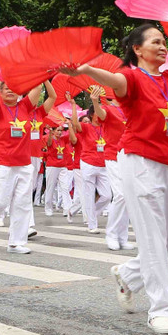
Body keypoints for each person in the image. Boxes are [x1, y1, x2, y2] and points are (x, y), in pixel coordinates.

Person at [63, 21, 168, 335]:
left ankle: (129, 275)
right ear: (137, 49)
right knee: (154, 237)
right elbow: (113, 79)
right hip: (140, 162)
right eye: (155, 42)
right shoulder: (130, 77)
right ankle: (161, 309)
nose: (162, 46)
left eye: (164, 42)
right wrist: (85, 69)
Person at [0, 60, 56, 254]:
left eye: (13, 87)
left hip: (24, 163)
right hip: (1, 161)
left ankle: (16, 242)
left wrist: (37, 68)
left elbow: (39, 87)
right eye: (5, 88)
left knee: (23, 203)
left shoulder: (25, 106)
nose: (10, 90)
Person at [68, 87, 112, 236]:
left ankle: (91, 211)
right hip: (88, 162)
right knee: (88, 194)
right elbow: (75, 123)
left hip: (103, 165)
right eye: (98, 112)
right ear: (93, 115)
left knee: (107, 196)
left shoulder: (106, 128)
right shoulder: (86, 128)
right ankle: (92, 224)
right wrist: (74, 106)